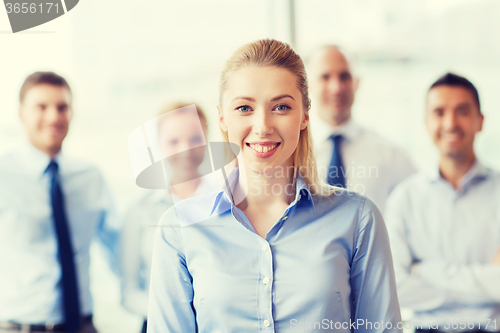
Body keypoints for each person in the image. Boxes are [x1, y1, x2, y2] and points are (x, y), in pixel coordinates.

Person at [146, 39, 402, 332]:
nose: (263, 126)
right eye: (244, 108)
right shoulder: (180, 228)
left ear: (305, 114)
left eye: (281, 107)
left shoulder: (358, 219)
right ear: (222, 118)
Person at [0, 72, 120, 333]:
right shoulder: (2, 176)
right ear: (21, 113)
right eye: (41, 107)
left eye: (62, 107)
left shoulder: (91, 177)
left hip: (82, 325)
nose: (53, 116)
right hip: (18, 326)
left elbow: (119, 252)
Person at [385, 73, 500, 332]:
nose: (450, 123)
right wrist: (486, 286)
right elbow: (396, 288)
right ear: (426, 123)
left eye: (462, 111)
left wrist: (425, 272)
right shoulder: (404, 199)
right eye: (439, 112)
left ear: (480, 121)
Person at [119, 102, 215, 333]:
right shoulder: (139, 211)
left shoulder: (228, 204)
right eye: (174, 141)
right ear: (160, 145)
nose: (185, 149)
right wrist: (172, 314)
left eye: (194, 139)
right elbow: (128, 292)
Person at [307, 45, 415, 212]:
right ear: (308, 86)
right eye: (325, 77)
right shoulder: (288, 157)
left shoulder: (391, 156)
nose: (336, 88)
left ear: (357, 83)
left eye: (345, 76)